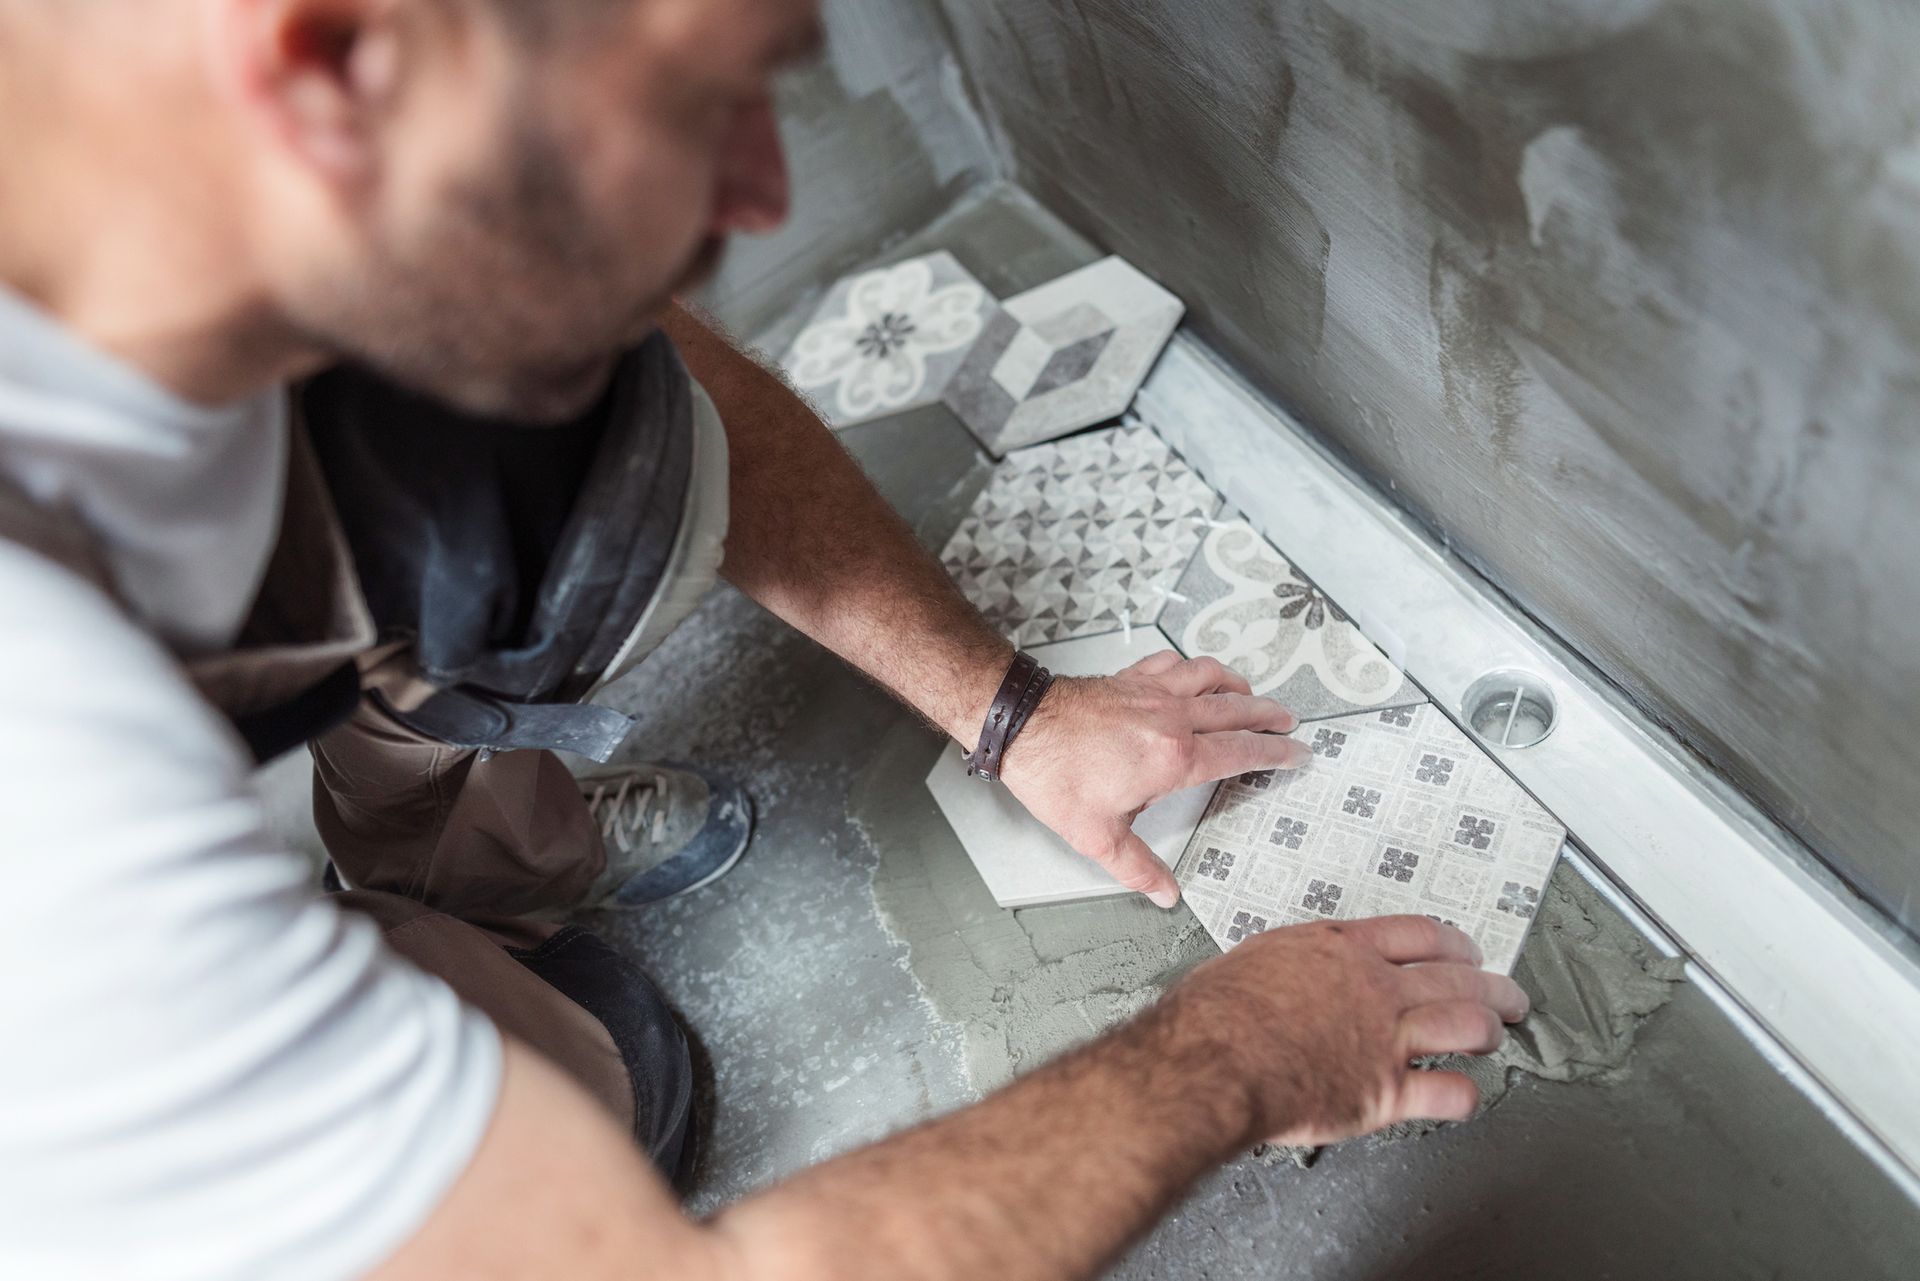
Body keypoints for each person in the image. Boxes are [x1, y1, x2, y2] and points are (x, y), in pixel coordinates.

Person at [0, 2, 1529, 1279]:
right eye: (709, 96)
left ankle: (437, 881)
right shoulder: (49, 800)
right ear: (330, 63)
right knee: (603, 1103)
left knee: (553, 434)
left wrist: (1013, 712)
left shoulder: (187, 167)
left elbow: (640, 350)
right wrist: (1239, 1053)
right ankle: (331, 981)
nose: (758, 193)